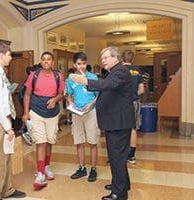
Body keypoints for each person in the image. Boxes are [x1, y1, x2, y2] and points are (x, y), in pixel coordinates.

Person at [70, 46, 134, 200]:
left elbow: (107, 85)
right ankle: (122, 184)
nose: (103, 60)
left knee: (116, 157)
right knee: (117, 156)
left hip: (118, 122)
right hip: (116, 121)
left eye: (106, 57)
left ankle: (119, 194)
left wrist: (85, 80)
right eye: (102, 57)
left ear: (115, 58)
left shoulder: (119, 71)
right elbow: (106, 83)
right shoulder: (114, 72)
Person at [0, 42, 26, 199]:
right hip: (0, 123)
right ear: (1, 55)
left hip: (5, 122)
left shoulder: (0, 74)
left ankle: (7, 189)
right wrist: (8, 127)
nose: (10, 58)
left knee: (7, 159)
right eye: (9, 55)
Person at [22, 51, 64, 190]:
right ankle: (40, 173)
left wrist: (55, 100)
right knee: (41, 141)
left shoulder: (58, 76)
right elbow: (27, 95)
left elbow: (61, 94)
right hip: (36, 112)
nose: (46, 61)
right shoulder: (34, 75)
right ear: (41, 62)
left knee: (49, 141)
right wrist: (26, 112)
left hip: (52, 113)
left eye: (49, 59)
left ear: (52, 62)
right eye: (44, 59)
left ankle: (46, 166)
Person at [67, 52, 100, 182]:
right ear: (74, 64)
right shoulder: (71, 78)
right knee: (79, 142)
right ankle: (81, 167)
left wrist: (91, 103)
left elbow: (99, 95)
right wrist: (70, 102)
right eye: (79, 64)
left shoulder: (93, 77)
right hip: (77, 113)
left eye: (84, 63)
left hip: (91, 112)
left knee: (92, 142)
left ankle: (93, 168)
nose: (81, 66)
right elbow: (69, 95)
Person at [122, 50, 144, 164]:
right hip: (134, 102)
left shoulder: (119, 71)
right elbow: (141, 90)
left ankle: (121, 154)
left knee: (121, 128)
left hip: (121, 104)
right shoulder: (138, 71)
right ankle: (132, 156)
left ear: (121, 59)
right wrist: (133, 95)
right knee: (133, 128)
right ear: (133, 59)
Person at [18, 66, 36, 145]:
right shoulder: (30, 81)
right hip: (30, 102)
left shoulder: (27, 80)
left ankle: (28, 132)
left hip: (28, 102)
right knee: (30, 117)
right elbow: (27, 94)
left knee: (30, 117)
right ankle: (29, 133)